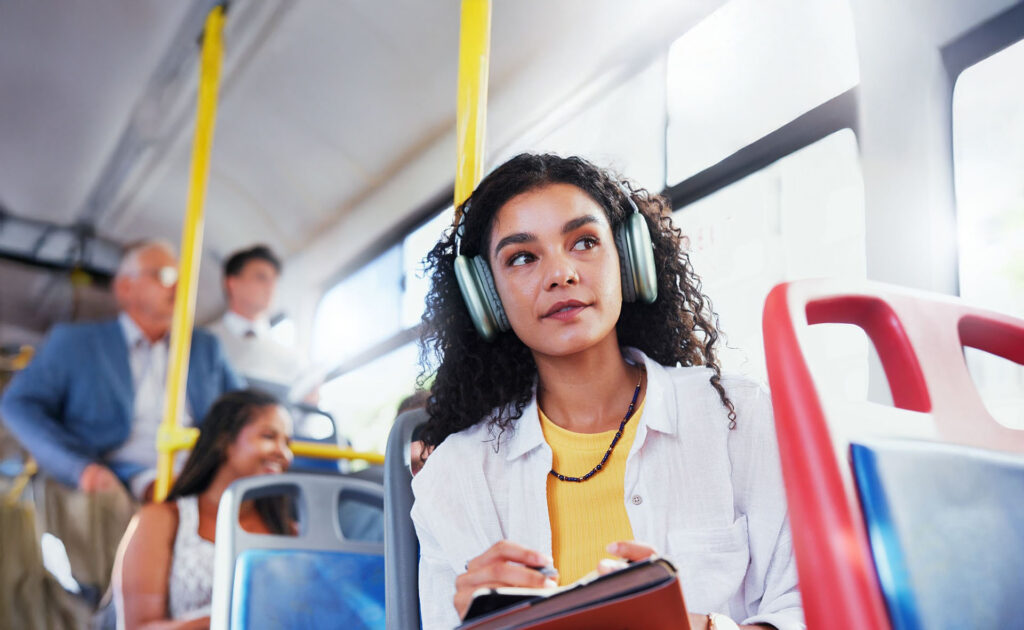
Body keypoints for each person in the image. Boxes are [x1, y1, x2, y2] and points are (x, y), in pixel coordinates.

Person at [411, 154, 803, 630]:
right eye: (522, 257)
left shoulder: (736, 417)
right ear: (487, 298)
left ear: (629, 258)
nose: (561, 274)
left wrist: (696, 627)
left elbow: (808, 611)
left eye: (585, 242)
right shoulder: (455, 479)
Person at [0, 240, 244, 599]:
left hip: (200, 461)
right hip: (121, 469)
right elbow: (18, 404)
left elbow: (244, 411)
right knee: (164, 498)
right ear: (124, 287)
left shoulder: (206, 347)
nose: (177, 285)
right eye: (164, 275)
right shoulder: (75, 343)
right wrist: (79, 467)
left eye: (181, 277)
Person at [114, 389, 294, 629]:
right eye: (269, 436)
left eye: (287, 443)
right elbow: (138, 627)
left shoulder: (290, 532)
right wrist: (230, 619)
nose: (283, 453)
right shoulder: (162, 520)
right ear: (225, 441)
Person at [206, 245, 309, 399]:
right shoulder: (202, 343)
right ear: (232, 283)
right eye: (261, 278)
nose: (270, 287)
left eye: (274, 281)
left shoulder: (291, 359)